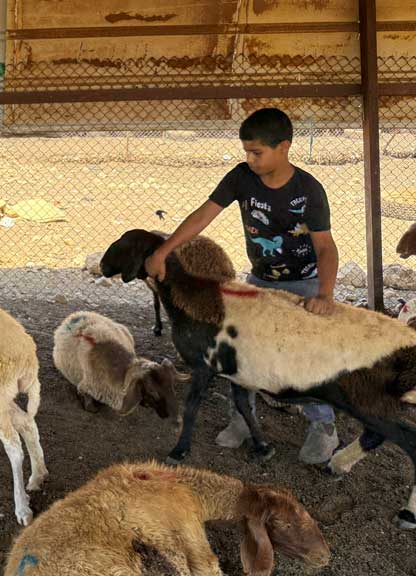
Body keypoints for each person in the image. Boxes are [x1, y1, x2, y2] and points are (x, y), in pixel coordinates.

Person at [144, 107, 340, 465]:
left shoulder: (309, 190)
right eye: (246, 152)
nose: (250, 159)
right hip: (260, 281)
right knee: (243, 352)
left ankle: (323, 426)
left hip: (304, 283)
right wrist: (165, 249)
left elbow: (325, 246)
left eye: (257, 153)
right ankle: (242, 419)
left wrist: (324, 294)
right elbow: (204, 215)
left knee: (308, 357)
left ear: (283, 147)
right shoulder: (241, 178)